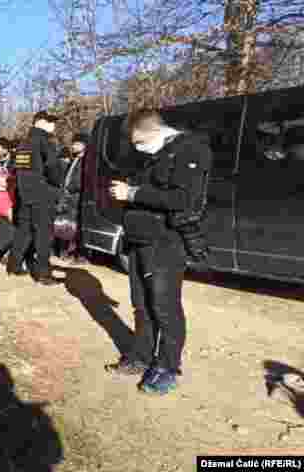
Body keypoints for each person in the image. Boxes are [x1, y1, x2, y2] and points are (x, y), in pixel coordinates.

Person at [107, 109, 211, 395]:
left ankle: (168, 367)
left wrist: (133, 194)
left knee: (164, 307)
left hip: (165, 242)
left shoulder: (190, 150)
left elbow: (184, 199)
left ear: (154, 131)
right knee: (141, 304)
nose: (137, 147)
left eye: (139, 142)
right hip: (140, 239)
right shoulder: (156, 154)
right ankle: (140, 357)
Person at [6, 111, 63, 285]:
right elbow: (53, 168)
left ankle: (14, 265)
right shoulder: (44, 141)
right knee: (44, 234)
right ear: (39, 122)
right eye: (51, 121)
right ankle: (44, 274)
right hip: (43, 194)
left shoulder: (23, 144)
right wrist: (57, 183)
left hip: (24, 194)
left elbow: (14, 169)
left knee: (24, 230)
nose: (54, 125)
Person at [53, 132, 88, 265]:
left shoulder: (86, 161)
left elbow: (81, 181)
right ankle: (65, 253)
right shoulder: (74, 160)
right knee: (65, 226)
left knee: (75, 228)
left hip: (77, 198)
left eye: (77, 144)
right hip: (67, 197)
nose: (73, 146)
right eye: (73, 143)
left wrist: (71, 188)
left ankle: (78, 255)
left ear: (84, 145)